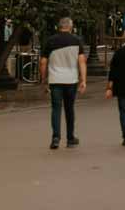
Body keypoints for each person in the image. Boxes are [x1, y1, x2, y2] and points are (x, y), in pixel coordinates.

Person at [39, 15, 87, 150]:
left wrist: (44, 80)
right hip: (71, 80)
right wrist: (83, 80)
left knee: (56, 109)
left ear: (59, 27)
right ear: (70, 27)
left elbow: (43, 62)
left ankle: (55, 138)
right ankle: (70, 138)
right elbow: (81, 61)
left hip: (55, 80)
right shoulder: (77, 41)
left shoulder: (50, 41)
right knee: (69, 109)